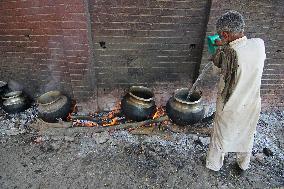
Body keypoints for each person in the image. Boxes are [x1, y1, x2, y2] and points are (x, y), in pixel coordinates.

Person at [206, 10, 266, 171]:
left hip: (230, 105)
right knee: (247, 134)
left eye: (221, 34)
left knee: (220, 137)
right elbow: (243, 49)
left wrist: (216, 49)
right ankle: (243, 163)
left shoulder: (227, 55)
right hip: (252, 103)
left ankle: (214, 165)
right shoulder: (259, 44)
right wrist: (225, 45)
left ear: (225, 34)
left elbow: (216, 70)